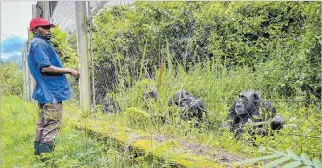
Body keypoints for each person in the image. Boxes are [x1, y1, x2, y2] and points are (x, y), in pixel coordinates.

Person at [27, 17, 80, 159]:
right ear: (34, 30)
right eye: (44, 28)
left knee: (42, 125)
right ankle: (46, 160)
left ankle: (39, 158)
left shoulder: (38, 43)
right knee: (52, 125)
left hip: (45, 91)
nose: (48, 30)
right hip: (52, 92)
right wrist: (70, 70)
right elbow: (45, 68)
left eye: (48, 28)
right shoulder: (39, 43)